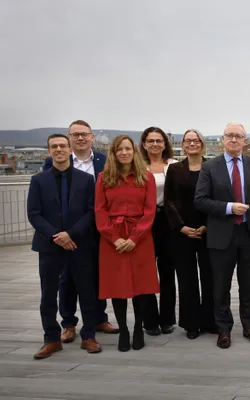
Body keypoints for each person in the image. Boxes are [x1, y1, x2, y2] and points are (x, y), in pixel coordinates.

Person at [194, 123, 250, 349]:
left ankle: (249, 326)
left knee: (249, 284)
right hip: (221, 234)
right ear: (222, 140)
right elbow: (200, 200)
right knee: (221, 285)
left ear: (245, 141)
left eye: (239, 136)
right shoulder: (210, 167)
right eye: (230, 136)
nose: (234, 140)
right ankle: (224, 329)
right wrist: (228, 208)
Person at [42, 120, 117, 342]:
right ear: (69, 138)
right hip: (64, 233)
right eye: (75, 135)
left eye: (84, 134)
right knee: (66, 279)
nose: (80, 138)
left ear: (92, 137)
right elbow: (49, 196)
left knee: (95, 275)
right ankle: (69, 322)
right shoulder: (53, 162)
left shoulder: (104, 161)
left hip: (95, 228)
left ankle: (98, 317)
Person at [29, 134, 102, 359]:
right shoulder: (38, 180)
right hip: (49, 246)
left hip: (80, 243)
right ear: (49, 151)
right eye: (54, 147)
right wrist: (56, 236)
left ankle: (88, 335)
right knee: (49, 294)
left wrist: (70, 234)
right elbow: (34, 214)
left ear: (69, 149)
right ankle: (52, 339)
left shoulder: (86, 179)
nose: (59, 149)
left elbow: (91, 212)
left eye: (62, 146)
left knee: (87, 291)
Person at [95, 135, 160, 351]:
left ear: (134, 152)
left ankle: (139, 328)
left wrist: (133, 238)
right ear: (113, 153)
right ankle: (123, 329)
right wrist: (115, 238)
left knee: (141, 287)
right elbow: (100, 211)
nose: (124, 153)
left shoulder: (146, 178)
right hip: (112, 240)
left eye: (128, 149)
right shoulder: (104, 178)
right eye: (119, 149)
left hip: (140, 239)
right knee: (118, 287)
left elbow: (150, 212)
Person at [163, 129, 215, 339]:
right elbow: (169, 201)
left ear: (202, 144)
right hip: (182, 231)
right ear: (183, 144)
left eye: (196, 140)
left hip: (208, 229)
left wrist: (207, 225)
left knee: (209, 277)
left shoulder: (212, 167)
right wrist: (181, 227)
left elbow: (217, 198)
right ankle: (191, 323)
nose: (192, 143)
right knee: (187, 278)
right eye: (188, 140)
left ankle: (211, 320)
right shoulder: (175, 169)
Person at [139, 127, 178, 336]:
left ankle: (167, 319)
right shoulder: (137, 167)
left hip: (168, 221)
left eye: (159, 141)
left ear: (165, 144)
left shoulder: (173, 165)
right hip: (145, 221)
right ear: (144, 144)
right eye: (151, 140)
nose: (155, 144)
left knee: (167, 271)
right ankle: (150, 320)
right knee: (146, 271)